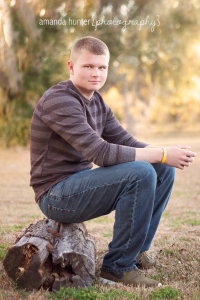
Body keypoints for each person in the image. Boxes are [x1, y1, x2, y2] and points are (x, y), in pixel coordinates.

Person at [30, 36, 196, 287]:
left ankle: (137, 252)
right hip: (55, 194)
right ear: (71, 67)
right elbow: (101, 153)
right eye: (88, 66)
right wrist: (161, 152)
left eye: (102, 67)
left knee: (161, 168)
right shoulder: (59, 100)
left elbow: (125, 141)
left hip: (78, 185)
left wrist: (165, 154)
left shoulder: (97, 102)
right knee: (142, 171)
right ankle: (117, 268)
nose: (96, 73)